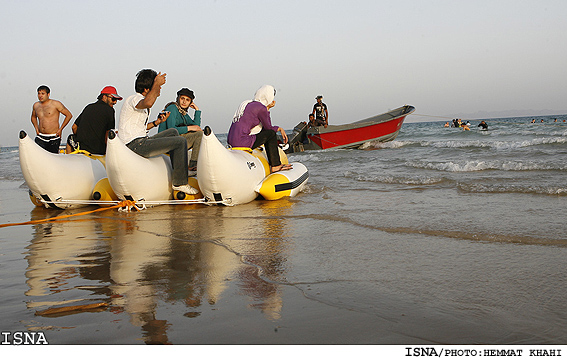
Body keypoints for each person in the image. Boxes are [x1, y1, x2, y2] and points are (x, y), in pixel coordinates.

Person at [118, 69, 198, 195]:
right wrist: (156, 83)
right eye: (157, 87)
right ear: (146, 89)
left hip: (141, 140)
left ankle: (178, 169)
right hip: (134, 145)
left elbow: (141, 128)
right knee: (180, 141)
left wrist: (157, 122)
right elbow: (148, 102)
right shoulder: (134, 99)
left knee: (172, 132)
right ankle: (180, 182)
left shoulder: (140, 104)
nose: (159, 90)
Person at [227, 85, 291, 173]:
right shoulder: (261, 108)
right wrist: (279, 128)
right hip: (241, 142)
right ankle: (276, 165)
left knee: (267, 133)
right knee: (271, 134)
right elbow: (268, 128)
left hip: (230, 141)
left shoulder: (247, 103)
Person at [66, 86, 122, 154]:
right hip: (98, 150)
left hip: (82, 148)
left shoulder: (88, 107)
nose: (115, 102)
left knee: (70, 138)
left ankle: (70, 158)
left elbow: (74, 127)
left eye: (116, 100)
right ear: (104, 97)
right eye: (113, 99)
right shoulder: (110, 110)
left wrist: (83, 136)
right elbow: (108, 134)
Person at [158, 88, 202, 171]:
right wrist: (189, 128)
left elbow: (196, 127)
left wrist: (197, 110)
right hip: (166, 142)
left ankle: (194, 164)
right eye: (182, 99)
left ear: (190, 102)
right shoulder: (172, 108)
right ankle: (193, 164)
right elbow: (171, 130)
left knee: (200, 134)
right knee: (200, 135)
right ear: (178, 98)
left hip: (177, 141)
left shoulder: (183, 113)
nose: (184, 102)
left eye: (187, 100)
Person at [31, 85, 73, 153]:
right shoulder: (36, 105)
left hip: (54, 136)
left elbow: (69, 115)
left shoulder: (56, 104)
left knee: (52, 156)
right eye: (39, 93)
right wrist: (36, 128)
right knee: (38, 155)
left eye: (43, 94)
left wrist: (60, 129)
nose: (40, 96)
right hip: (41, 136)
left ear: (48, 94)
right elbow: (33, 117)